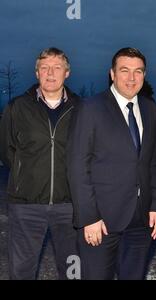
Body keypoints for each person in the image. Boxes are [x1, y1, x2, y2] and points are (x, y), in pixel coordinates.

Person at [67, 47, 156, 280]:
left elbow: (153, 162)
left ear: (144, 75)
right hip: (101, 221)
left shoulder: (151, 109)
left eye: (138, 71)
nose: (131, 78)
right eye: (124, 70)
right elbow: (77, 166)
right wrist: (88, 217)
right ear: (112, 74)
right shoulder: (90, 108)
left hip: (141, 220)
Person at [0, 47, 79, 279]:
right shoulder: (17, 107)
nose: (50, 73)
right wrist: (27, 177)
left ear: (67, 73)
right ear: (37, 73)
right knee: (21, 272)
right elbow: (7, 151)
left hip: (70, 207)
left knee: (74, 272)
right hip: (26, 206)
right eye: (44, 68)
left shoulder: (82, 109)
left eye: (57, 67)